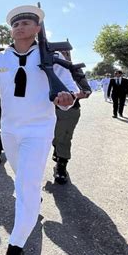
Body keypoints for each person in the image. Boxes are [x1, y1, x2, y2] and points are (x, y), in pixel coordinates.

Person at [0, 5, 79, 255]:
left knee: (26, 185)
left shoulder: (52, 58)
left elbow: (70, 92)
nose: (19, 27)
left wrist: (66, 99)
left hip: (39, 130)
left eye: (26, 22)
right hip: (9, 131)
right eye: (15, 24)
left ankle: (15, 246)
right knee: (22, 180)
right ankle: (31, 204)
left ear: (38, 28)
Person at [52, 50, 92, 185]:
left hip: (69, 112)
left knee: (64, 138)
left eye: (66, 52)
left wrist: (75, 95)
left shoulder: (75, 69)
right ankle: (57, 151)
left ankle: (61, 167)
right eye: (60, 52)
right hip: (47, 111)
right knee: (53, 137)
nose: (64, 54)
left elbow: (86, 90)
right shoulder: (49, 65)